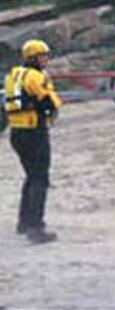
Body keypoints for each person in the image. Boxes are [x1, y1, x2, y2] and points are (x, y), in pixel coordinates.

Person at [4, 39, 62, 244]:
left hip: (17, 133)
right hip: (34, 132)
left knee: (31, 176)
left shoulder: (13, 75)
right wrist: (53, 105)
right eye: (43, 55)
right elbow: (48, 101)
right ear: (33, 58)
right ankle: (36, 227)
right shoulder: (36, 77)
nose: (46, 59)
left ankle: (24, 222)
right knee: (40, 178)